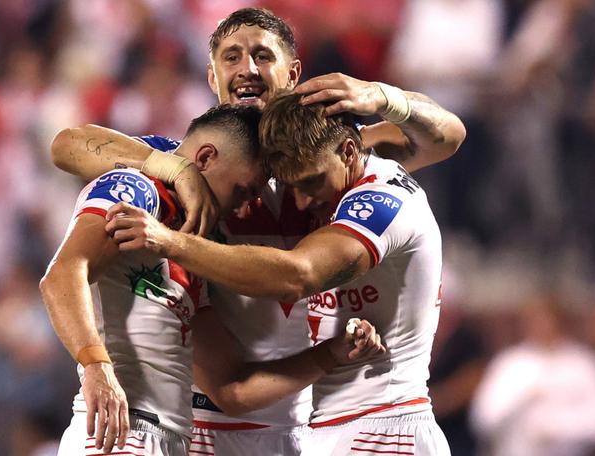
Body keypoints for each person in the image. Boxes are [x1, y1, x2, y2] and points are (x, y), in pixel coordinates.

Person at [50, 8, 464, 456]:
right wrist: (173, 167)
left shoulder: (331, 159)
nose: (247, 69)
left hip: (297, 425)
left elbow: (446, 136)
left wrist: (382, 96)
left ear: (293, 71)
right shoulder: (198, 166)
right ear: (212, 76)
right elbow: (67, 144)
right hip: (200, 423)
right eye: (231, 57)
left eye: (263, 56)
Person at [105, 91, 452, 455]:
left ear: (349, 152)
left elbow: (297, 277)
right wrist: (176, 168)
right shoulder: (223, 158)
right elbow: (71, 144)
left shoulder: (383, 199)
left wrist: (169, 242)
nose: (303, 202)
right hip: (329, 428)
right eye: (293, 186)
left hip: (386, 427)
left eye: (311, 181)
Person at [40, 104, 384, 455]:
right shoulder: (137, 188)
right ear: (205, 158)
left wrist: (335, 351)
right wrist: (96, 367)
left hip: (165, 439)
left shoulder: (189, 246)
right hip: (121, 430)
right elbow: (63, 274)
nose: (243, 210)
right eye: (243, 191)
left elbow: (232, 390)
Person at [470, 295, 595, 456]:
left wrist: (559, 427)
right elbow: (483, 418)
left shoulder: (584, 364)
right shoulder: (509, 364)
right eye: (533, 320)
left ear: (561, 321)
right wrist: (523, 396)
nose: (540, 326)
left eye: (546, 319)